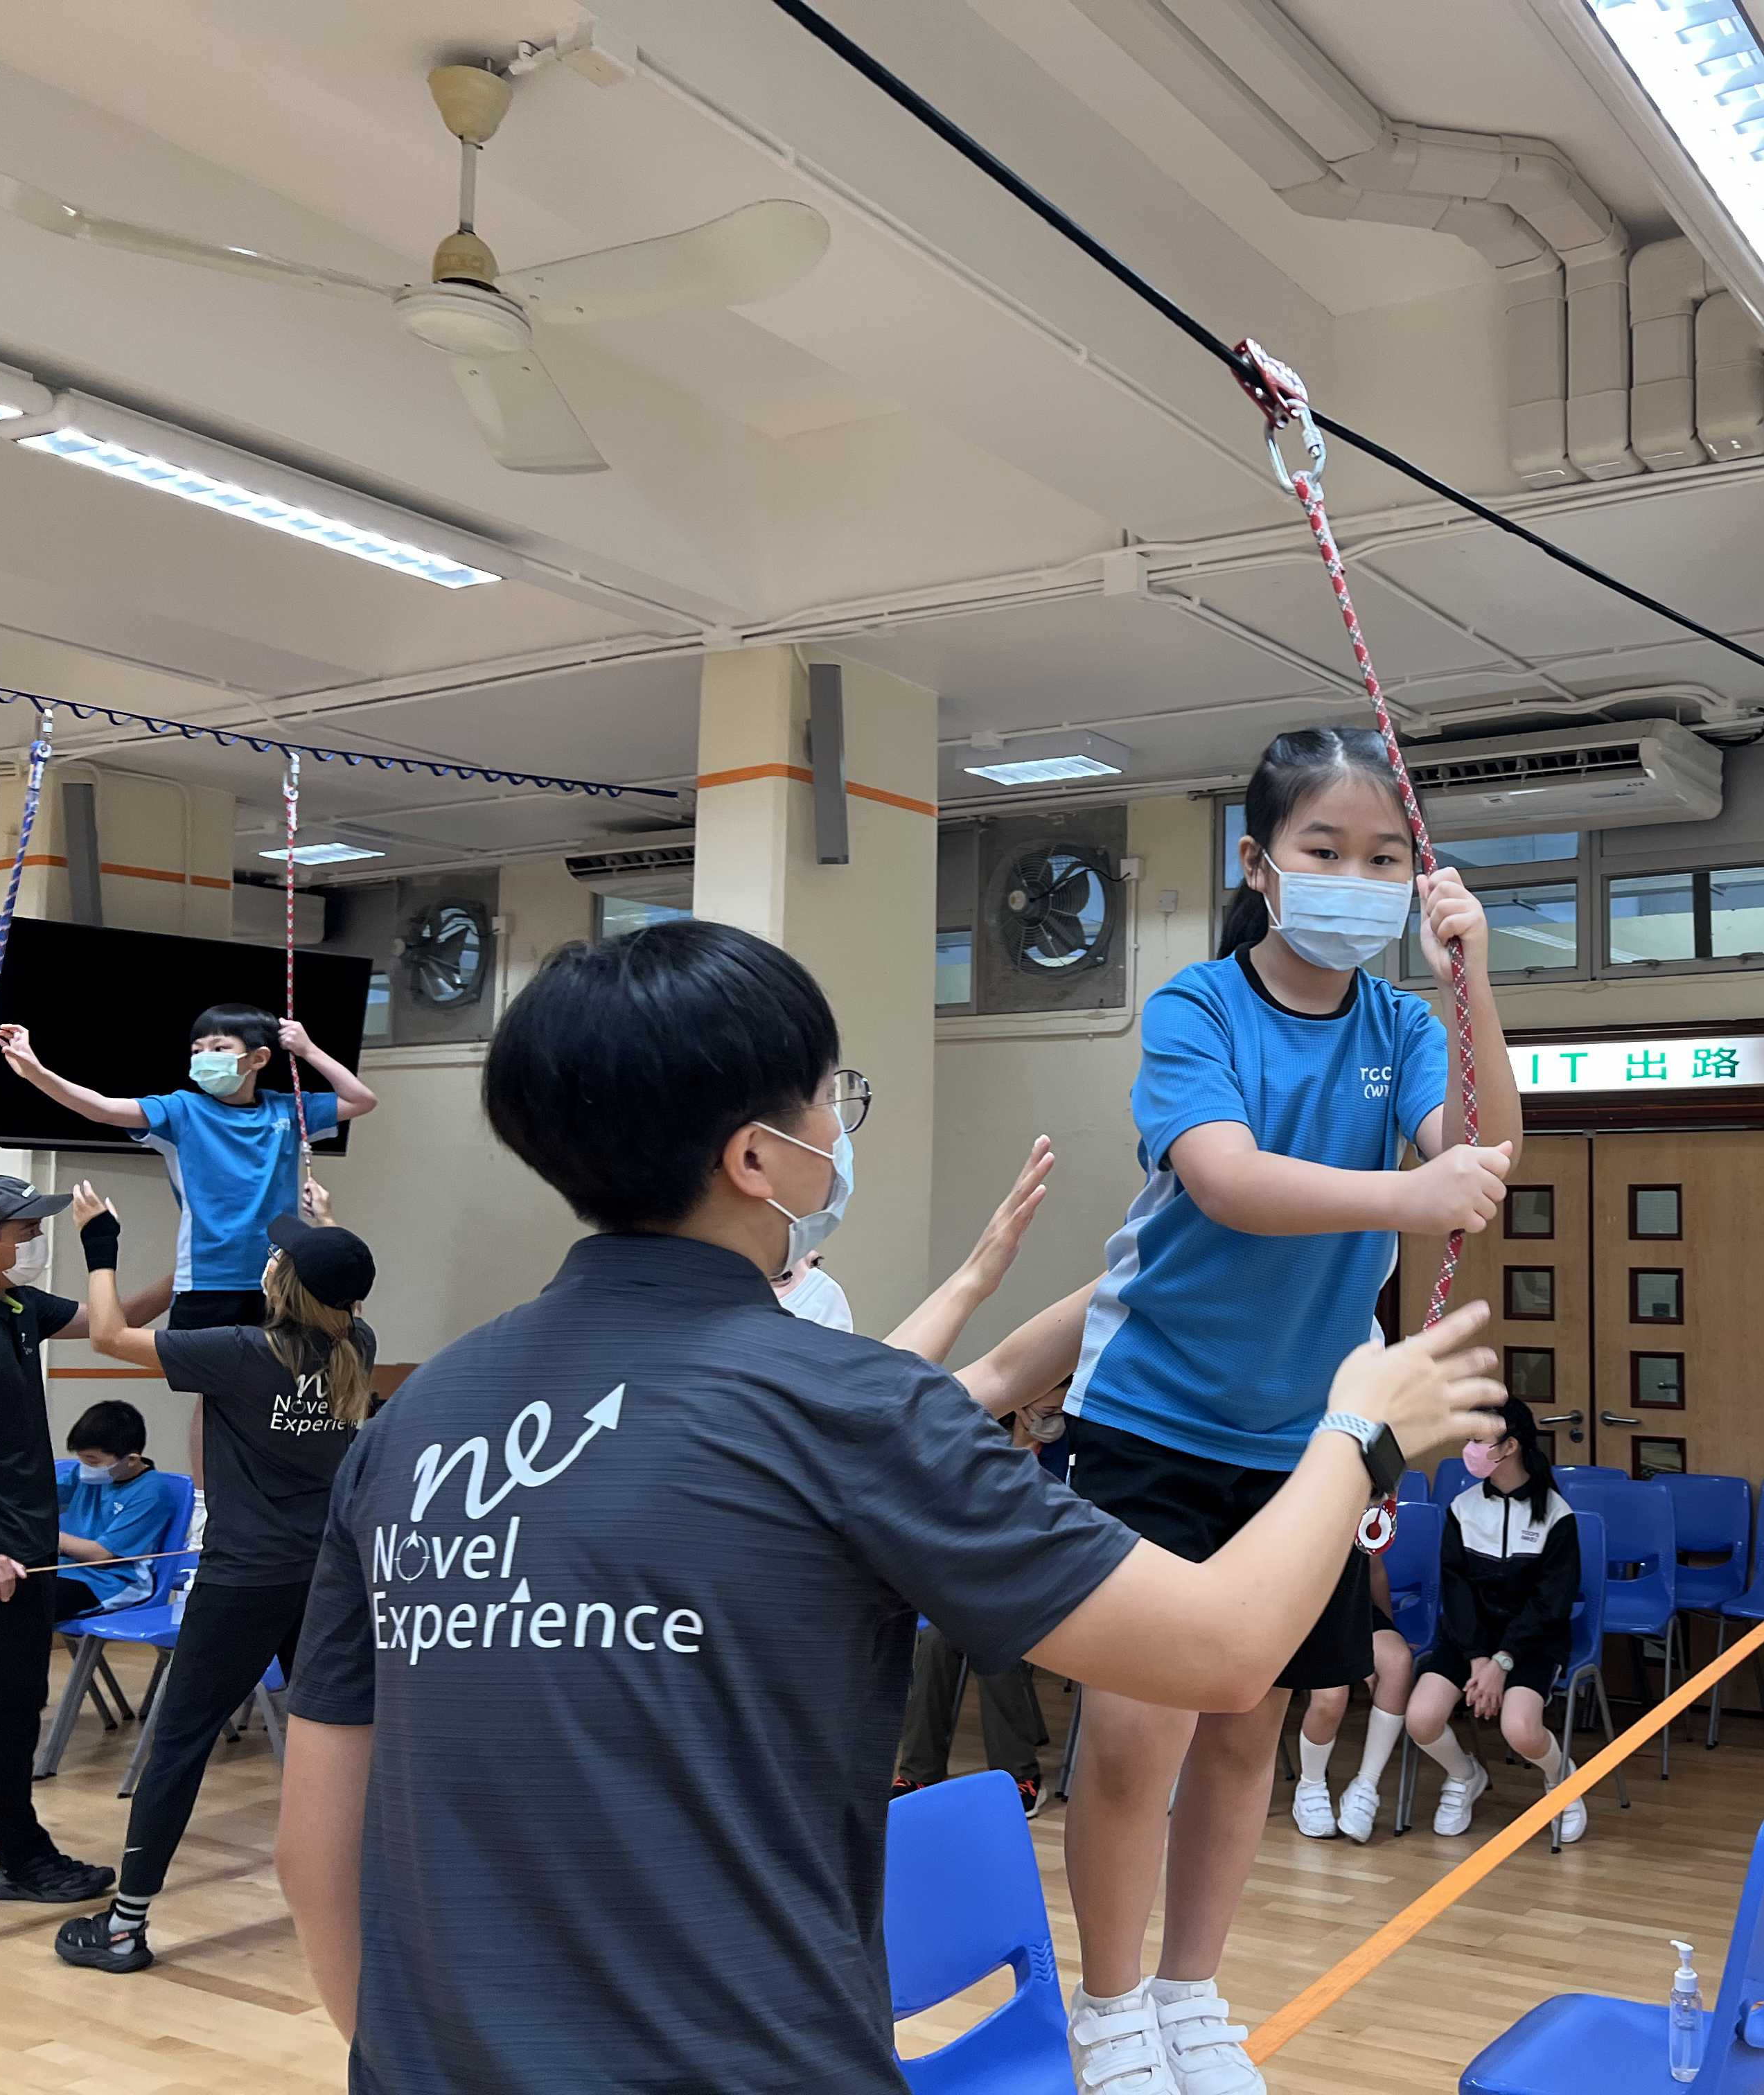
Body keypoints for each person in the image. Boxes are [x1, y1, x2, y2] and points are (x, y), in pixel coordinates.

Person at [270, 917, 1503, 2095]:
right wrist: (1361, 1427)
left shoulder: (414, 1426)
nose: (838, 1125)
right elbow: (1223, 1652)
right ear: (755, 1158)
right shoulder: (848, 1410)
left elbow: (314, 1857)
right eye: (829, 1098)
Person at [1058, 726, 1525, 2095]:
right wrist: (1403, 1196)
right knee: (1134, 1733)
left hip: (1305, 1445)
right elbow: (1226, 1178)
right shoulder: (1197, 1007)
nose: (1354, 879)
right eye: (1324, 849)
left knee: (1246, 1726)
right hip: (1150, 1418)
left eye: (1384, 857)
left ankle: (1192, 1996)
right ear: (1259, 864)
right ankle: (1111, 2008)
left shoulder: (1402, 1025)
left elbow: (1485, 1151)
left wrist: (1472, 978)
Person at [51, 1178, 379, 1974]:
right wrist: (326, 1224)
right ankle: (377, 1904)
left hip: (243, 1581)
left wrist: (100, 1242)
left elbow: (107, 1337)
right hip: (327, 1579)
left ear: (285, 1283)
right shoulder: (356, 1347)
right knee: (338, 1735)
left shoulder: (241, 1353)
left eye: (279, 1258)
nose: (268, 1261)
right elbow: (342, 1293)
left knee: (178, 1745)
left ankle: (123, 1929)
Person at [0, 1006, 378, 1336]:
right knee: (211, 1388)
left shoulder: (287, 1110)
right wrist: (36, 1072)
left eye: (220, 1048)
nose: (205, 1057)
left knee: (280, 1383)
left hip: (284, 1280)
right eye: (198, 1050)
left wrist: (308, 1050)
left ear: (258, 1059)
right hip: (207, 1281)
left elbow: (361, 1100)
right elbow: (103, 1108)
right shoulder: (181, 1110)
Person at [0, 1175, 121, 1904]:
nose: (35, 1241)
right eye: (24, 1231)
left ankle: (21, 1856)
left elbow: (114, 1322)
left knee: (13, 1703)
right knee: (0, 1710)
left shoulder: (18, 1306)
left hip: (27, 1554)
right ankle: (22, 1862)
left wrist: (125, 1253)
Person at [1405, 1395, 1587, 1846]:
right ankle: (1465, 1774)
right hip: (1470, 1640)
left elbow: (1551, 1604)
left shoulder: (1557, 1516)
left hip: (1532, 1641)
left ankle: (1563, 1779)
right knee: (1421, 1719)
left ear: (1511, 1446)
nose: (1469, 1449)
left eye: (1479, 1440)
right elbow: (1456, 1591)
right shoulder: (1462, 1508)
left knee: (1520, 1731)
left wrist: (1502, 1662)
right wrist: (1476, 1658)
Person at [894, 1398, 1064, 1817]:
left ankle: (1018, 1775)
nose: (1050, 1401)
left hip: (1037, 1585)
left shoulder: (1068, 1454)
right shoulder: (982, 1443)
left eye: (1059, 1391)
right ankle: (918, 1773)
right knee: (936, 1640)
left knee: (995, 1643)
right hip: (972, 1581)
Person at [1289, 1553, 1413, 1844]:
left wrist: (1387, 1627)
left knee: (1397, 1662)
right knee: (1332, 1693)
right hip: (1304, 1610)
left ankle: (1366, 1785)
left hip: (1354, 1608)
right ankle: (1310, 1785)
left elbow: (1374, 1567)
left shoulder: (1358, 1521)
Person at [51, 1400, 177, 1621]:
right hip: (67, 1570)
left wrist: (49, 1536)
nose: (84, 1467)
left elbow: (101, 1555)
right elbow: (41, 1500)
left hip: (112, 1581)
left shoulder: (151, 1492)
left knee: (32, 1603)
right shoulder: (84, 1475)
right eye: (81, 1458)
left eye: (92, 1461)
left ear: (131, 1460)